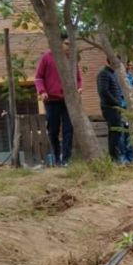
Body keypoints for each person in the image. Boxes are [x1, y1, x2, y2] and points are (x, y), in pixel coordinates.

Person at [35, 33, 82, 166]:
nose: (69, 47)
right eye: (66, 44)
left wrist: (79, 88)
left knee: (68, 130)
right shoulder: (47, 57)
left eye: (71, 45)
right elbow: (38, 78)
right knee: (53, 131)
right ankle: (57, 158)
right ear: (59, 43)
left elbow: (78, 79)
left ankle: (66, 160)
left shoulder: (71, 60)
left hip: (68, 102)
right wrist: (42, 91)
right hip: (51, 101)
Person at [96, 57, 126, 162]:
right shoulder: (103, 73)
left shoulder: (113, 74)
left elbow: (116, 91)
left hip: (116, 108)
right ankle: (115, 158)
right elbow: (103, 91)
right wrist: (116, 103)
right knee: (115, 133)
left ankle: (115, 158)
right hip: (110, 108)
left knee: (116, 133)